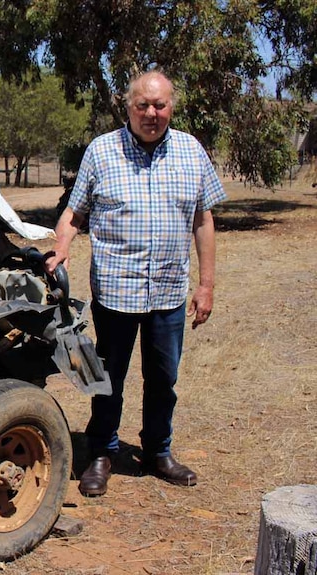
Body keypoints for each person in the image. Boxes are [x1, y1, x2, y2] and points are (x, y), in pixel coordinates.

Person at [45, 70, 226, 497]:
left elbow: (203, 219)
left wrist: (207, 285)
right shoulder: (102, 151)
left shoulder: (190, 151)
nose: (151, 113)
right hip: (116, 290)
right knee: (107, 377)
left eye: (159, 105)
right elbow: (75, 212)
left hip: (167, 291)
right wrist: (62, 245)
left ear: (172, 107)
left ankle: (158, 451)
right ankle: (102, 452)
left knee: (164, 377)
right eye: (142, 105)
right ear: (128, 107)